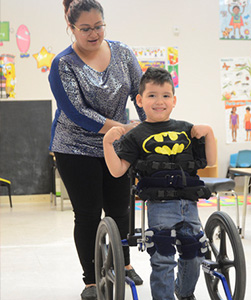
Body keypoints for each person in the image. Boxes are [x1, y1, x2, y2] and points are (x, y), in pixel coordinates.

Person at [48, 0, 145, 299]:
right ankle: (91, 280)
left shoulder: (124, 53)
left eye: (99, 26)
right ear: (71, 28)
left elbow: (140, 94)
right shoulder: (63, 64)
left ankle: (124, 264)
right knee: (88, 213)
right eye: (86, 29)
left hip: (117, 145)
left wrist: (149, 128)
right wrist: (123, 128)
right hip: (75, 147)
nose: (94, 34)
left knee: (120, 209)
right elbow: (77, 113)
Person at [103, 67, 216, 300]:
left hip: (189, 204)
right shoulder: (135, 134)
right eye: (152, 95)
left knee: (194, 254)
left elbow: (211, 161)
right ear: (140, 100)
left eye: (165, 96)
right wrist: (107, 143)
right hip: (160, 205)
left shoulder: (186, 129)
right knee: (164, 257)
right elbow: (117, 171)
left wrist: (210, 134)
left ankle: (184, 293)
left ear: (174, 100)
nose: (159, 101)